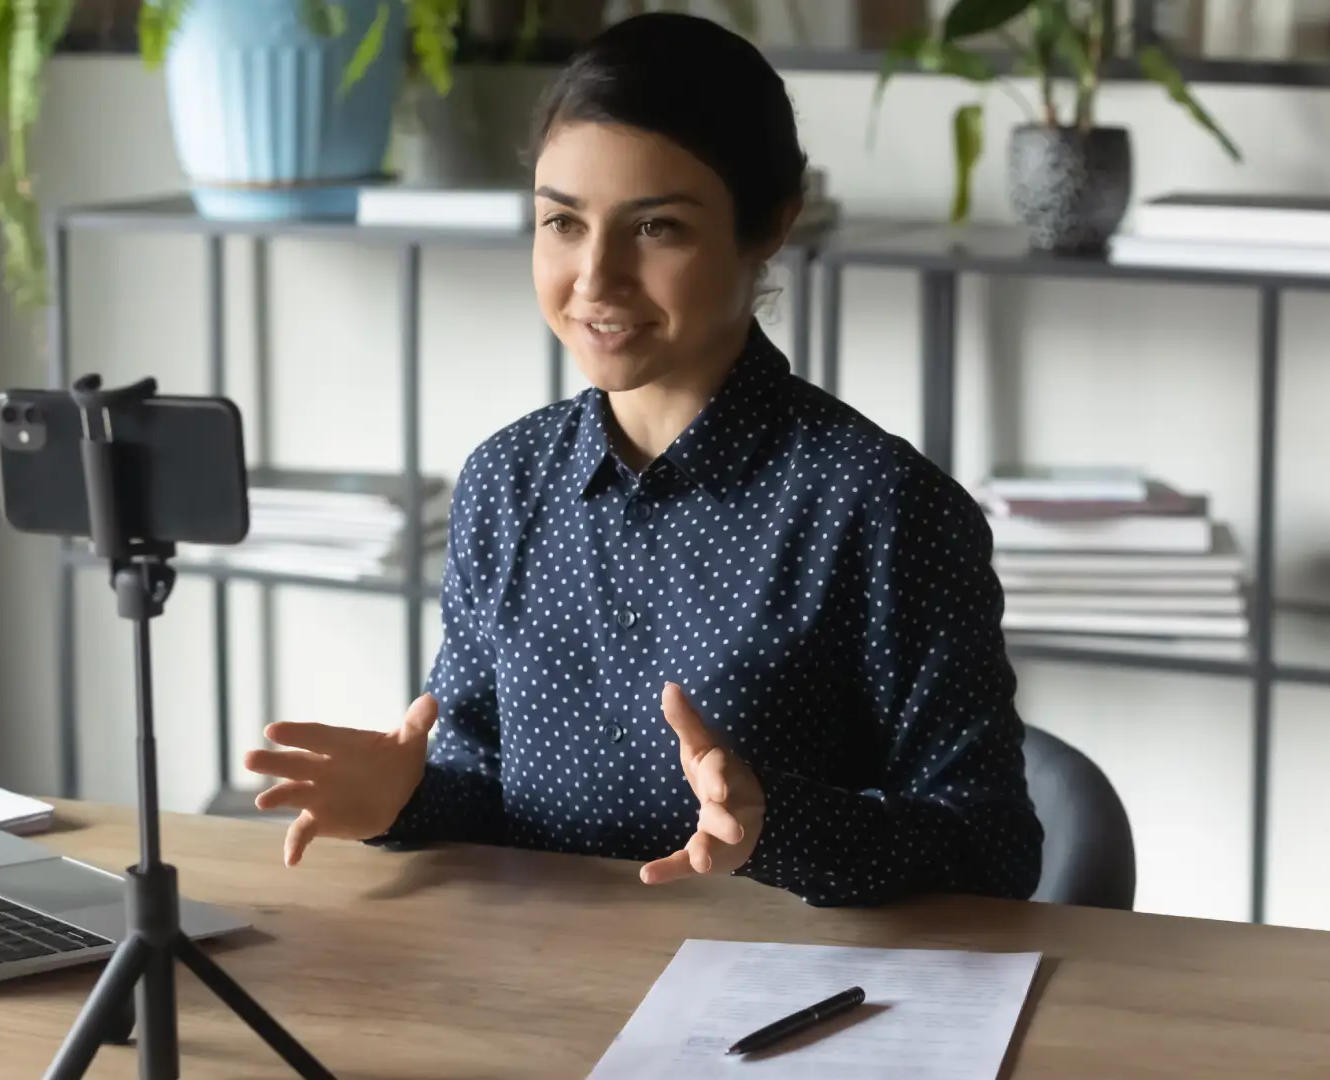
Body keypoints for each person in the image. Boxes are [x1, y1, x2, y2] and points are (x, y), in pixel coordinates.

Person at [242, 12, 1043, 906]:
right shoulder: (506, 482)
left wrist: (775, 824)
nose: (595, 279)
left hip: (792, 1005)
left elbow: (990, 853)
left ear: (771, 222)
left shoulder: (881, 506)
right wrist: (403, 798)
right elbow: (478, 789)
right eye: (562, 224)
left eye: (656, 228)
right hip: (542, 984)